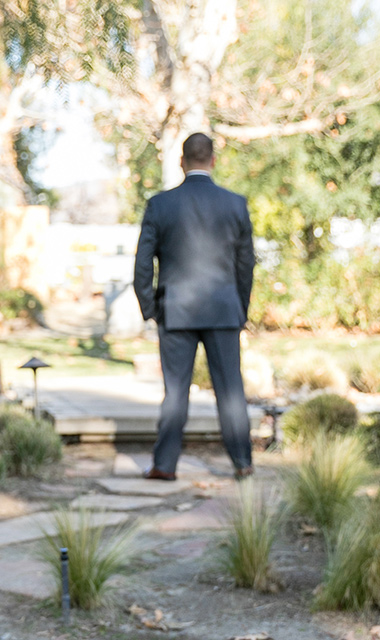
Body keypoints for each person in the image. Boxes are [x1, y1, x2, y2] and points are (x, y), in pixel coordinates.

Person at [133, 132, 256, 481]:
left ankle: (165, 465)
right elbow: (246, 264)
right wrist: (240, 308)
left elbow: (143, 264)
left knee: (175, 392)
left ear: (181, 161)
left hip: (176, 312)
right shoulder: (236, 204)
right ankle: (243, 462)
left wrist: (150, 308)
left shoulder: (161, 204)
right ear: (213, 160)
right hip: (224, 311)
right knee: (231, 390)